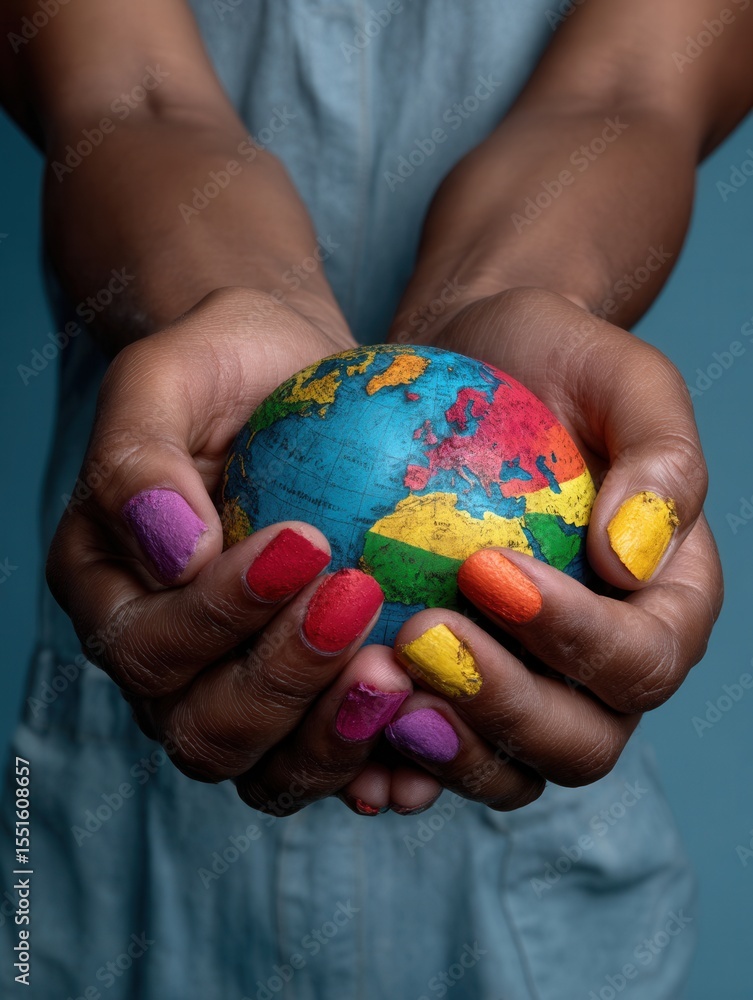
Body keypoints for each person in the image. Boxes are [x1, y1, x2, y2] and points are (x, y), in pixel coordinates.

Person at [1, 0, 749, 996]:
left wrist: (503, 296)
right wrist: (226, 299)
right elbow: (123, 93)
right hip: (124, 837)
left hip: (529, 890)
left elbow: (631, 85)